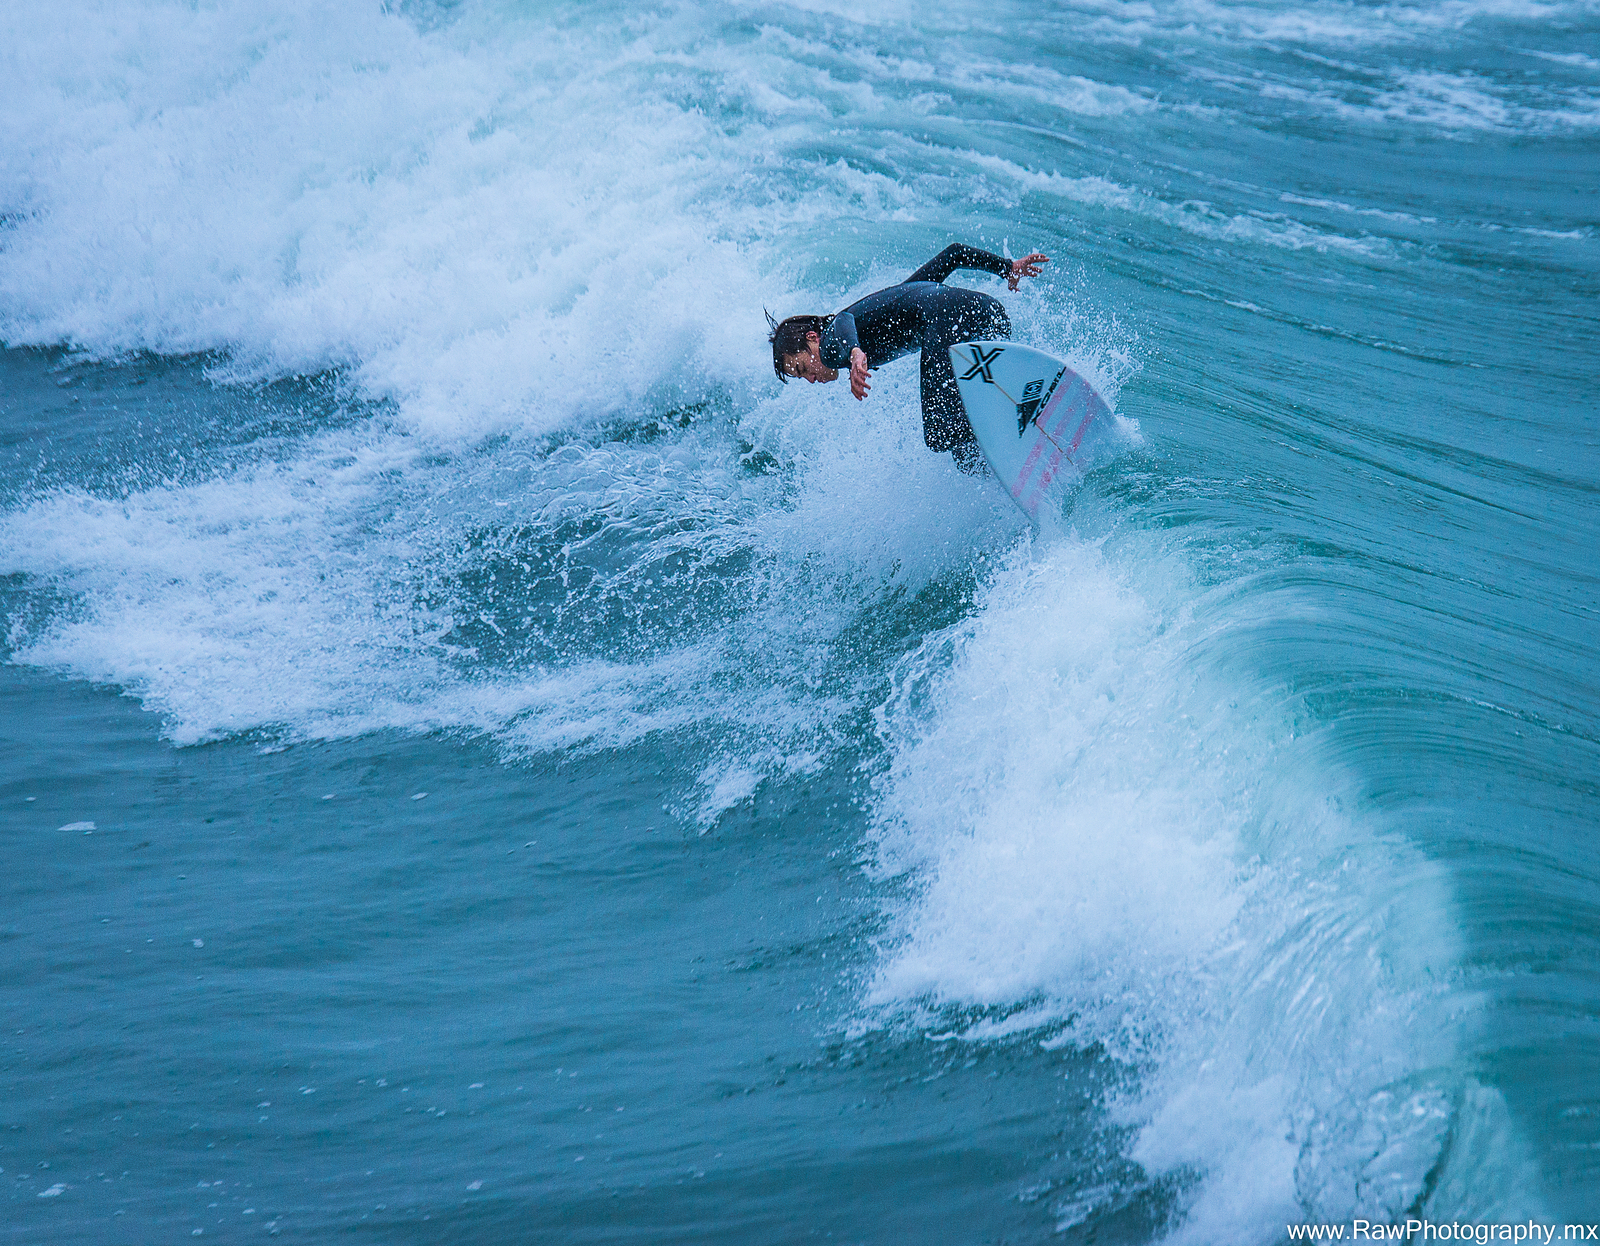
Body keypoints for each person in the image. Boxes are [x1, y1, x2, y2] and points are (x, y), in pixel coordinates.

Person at [768, 243, 1049, 471]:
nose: (811, 379)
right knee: (964, 455)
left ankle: (1013, 442)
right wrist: (1008, 268)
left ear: (812, 339)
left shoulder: (830, 346)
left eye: (803, 368)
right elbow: (954, 254)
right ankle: (1016, 437)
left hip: (948, 323)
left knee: (941, 434)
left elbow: (842, 319)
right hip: (986, 313)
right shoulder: (901, 298)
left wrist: (855, 353)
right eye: (803, 376)